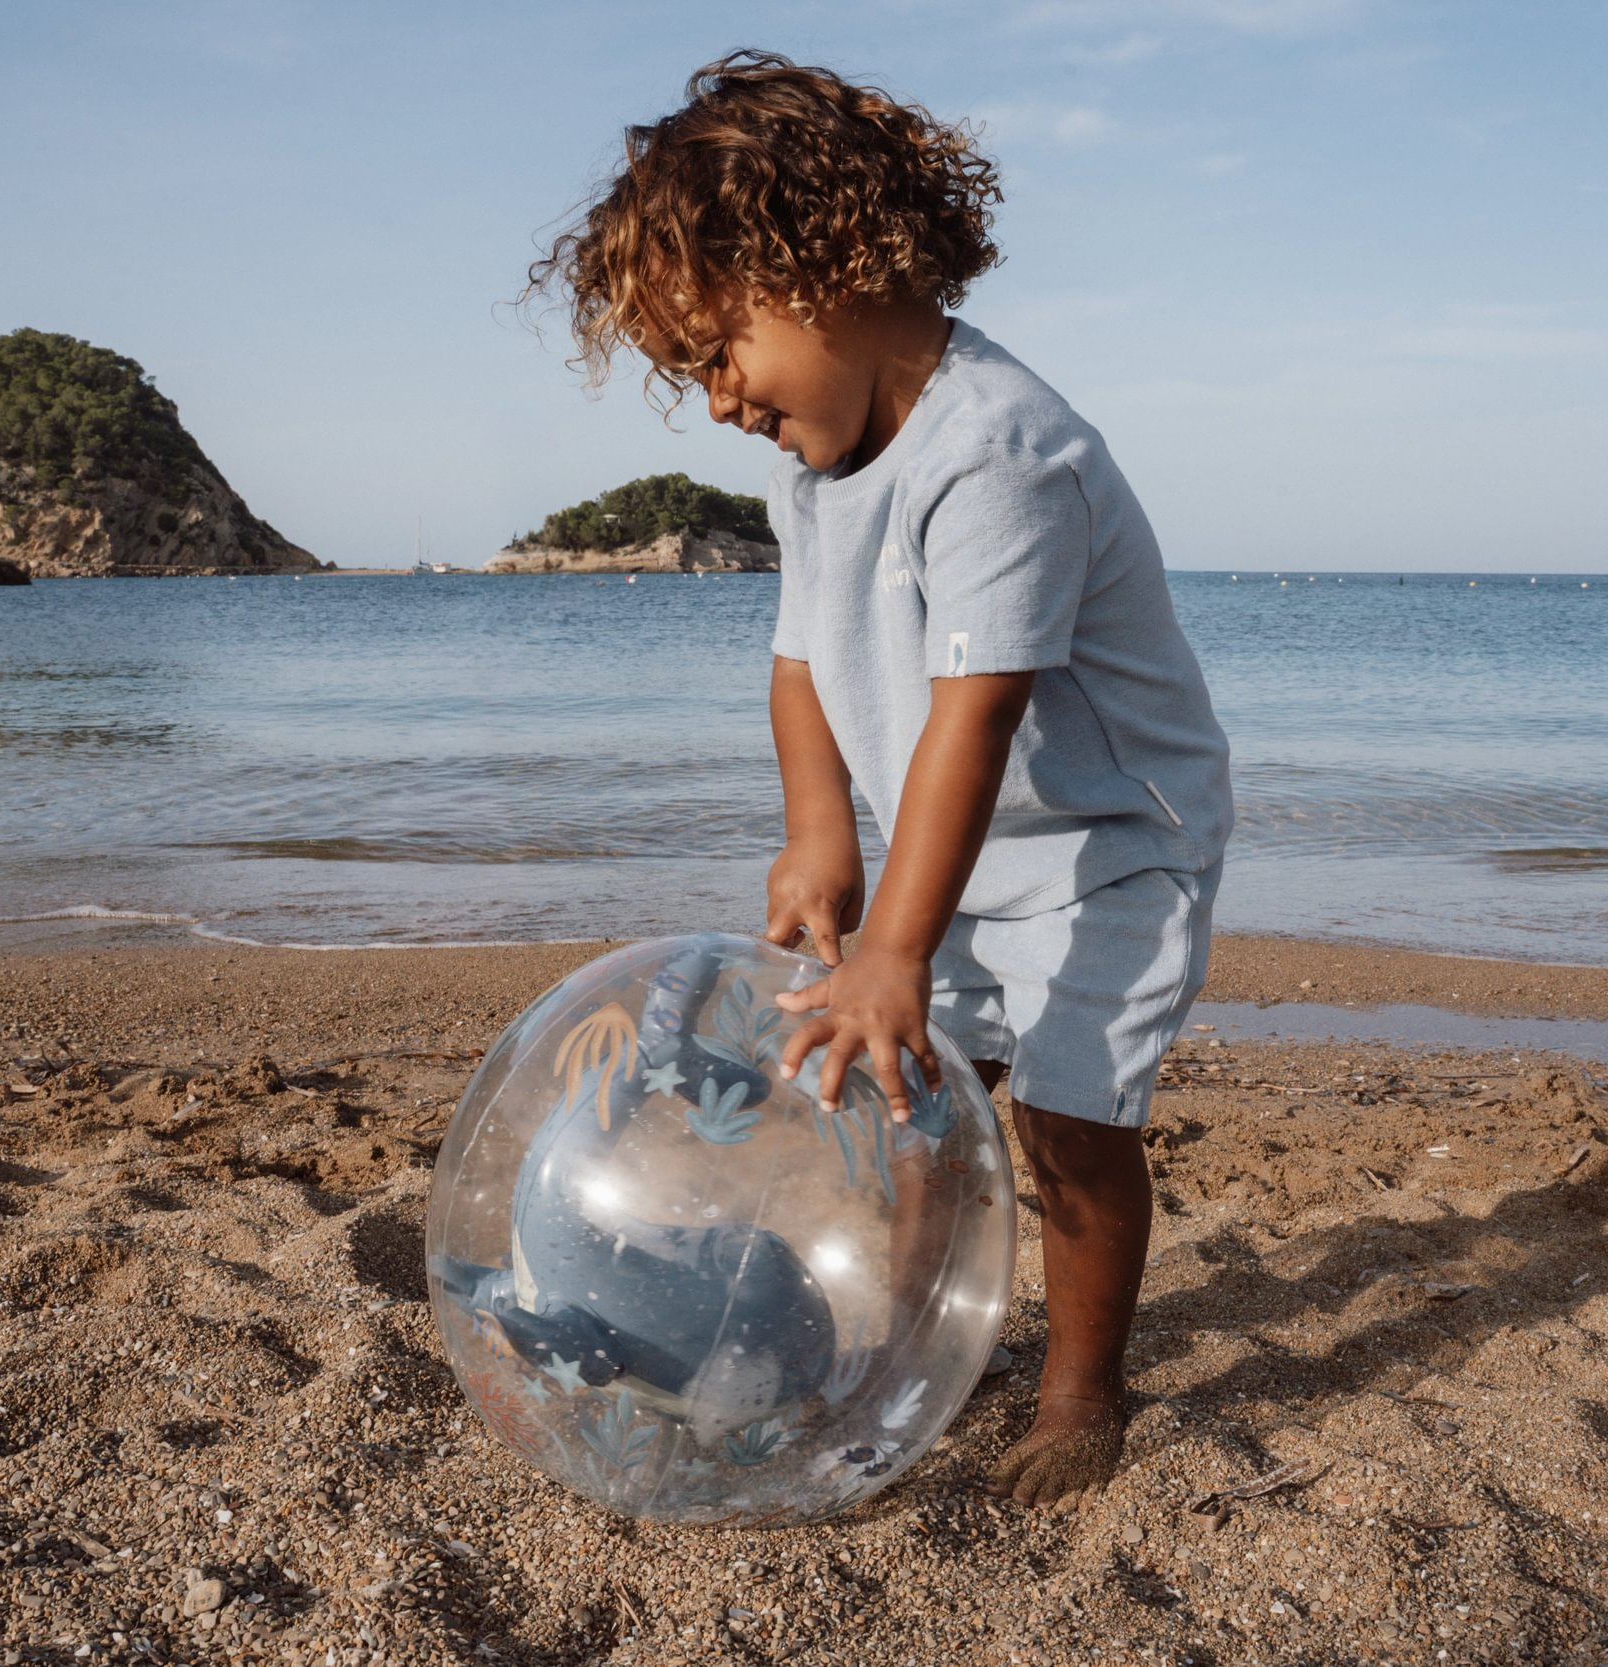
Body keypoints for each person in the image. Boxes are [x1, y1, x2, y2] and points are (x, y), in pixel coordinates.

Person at [527, 49, 1232, 1510]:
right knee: (918, 1108)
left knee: (1070, 1121)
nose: (717, 402)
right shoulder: (816, 474)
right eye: (691, 374)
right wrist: (817, 835)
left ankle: (1082, 1389)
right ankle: (912, 1348)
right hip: (948, 846)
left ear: (822, 270)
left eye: (718, 353)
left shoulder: (1003, 456)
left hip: (1106, 842)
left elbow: (978, 714)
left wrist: (895, 948)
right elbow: (800, 665)